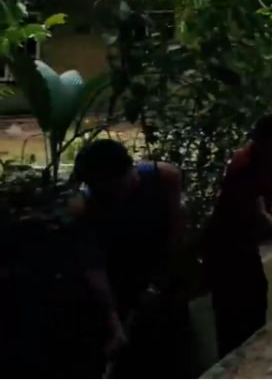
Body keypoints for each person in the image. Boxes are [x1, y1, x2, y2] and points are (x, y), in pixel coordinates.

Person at [70, 139, 190, 377]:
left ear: (127, 171)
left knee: (174, 351)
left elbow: (177, 230)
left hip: (162, 279)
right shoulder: (86, 206)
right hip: (119, 287)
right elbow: (94, 267)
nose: (108, 194)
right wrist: (114, 322)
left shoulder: (164, 178)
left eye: (112, 186)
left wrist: (166, 277)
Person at [202, 114, 272, 358]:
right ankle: (231, 363)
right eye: (264, 144)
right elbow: (259, 213)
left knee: (257, 293)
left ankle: (255, 353)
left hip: (248, 237)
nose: (270, 150)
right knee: (231, 305)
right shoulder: (243, 165)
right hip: (223, 240)